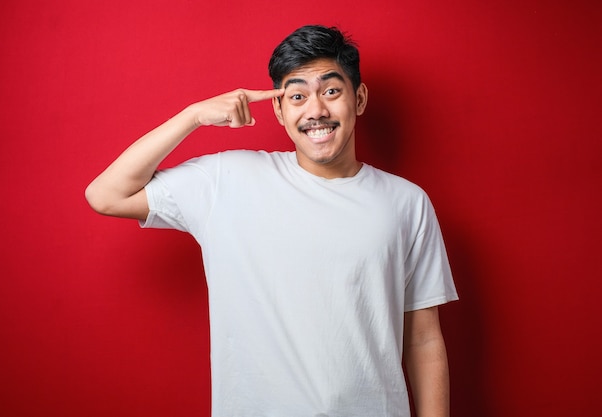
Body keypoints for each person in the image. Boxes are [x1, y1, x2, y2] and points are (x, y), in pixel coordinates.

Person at [86, 25, 458, 417]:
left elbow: (423, 340)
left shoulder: (406, 203)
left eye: (331, 91)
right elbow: (106, 195)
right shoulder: (227, 181)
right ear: (279, 110)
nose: (316, 110)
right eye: (297, 96)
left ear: (359, 98)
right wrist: (193, 115)